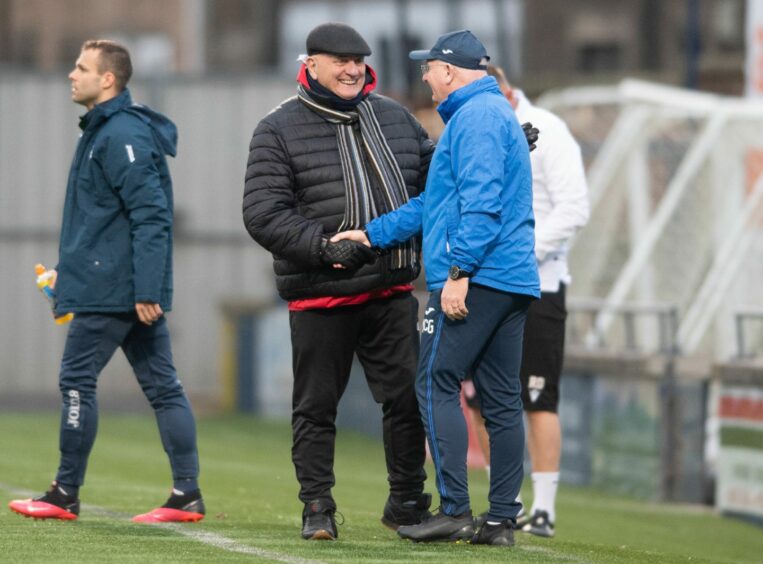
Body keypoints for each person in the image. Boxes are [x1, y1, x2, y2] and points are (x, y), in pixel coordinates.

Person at [333, 30, 539, 547]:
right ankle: (499, 521)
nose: (424, 75)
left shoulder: (476, 119)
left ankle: (453, 510)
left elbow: (481, 205)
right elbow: (436, 205)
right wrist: (371, 234)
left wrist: (458, 273)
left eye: (429, 67)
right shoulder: (486, 115)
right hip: (510, 277)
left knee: (433, 382)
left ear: (449, 71)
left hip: (480, 276)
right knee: (500, 399)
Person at [243, 22, 435, 541]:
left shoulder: (394, 116)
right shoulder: (277, 128)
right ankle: (318, 508)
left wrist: (495, 150)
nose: (353, 70)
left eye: (359, 61)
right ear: (311, 65)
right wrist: (325, 250)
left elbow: (437, 178)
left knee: (406, 400)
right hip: (320, 293)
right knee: (315, 408)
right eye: (339, 61)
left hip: (391, 288)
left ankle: (407, 502)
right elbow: (262, 213)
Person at [8, 40, 204, 524]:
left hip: (118, 290)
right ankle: (186, 495)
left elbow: (152, 215)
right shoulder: (102, 131)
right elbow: (104, 224)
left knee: (76, 380)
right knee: (164, 387)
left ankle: (63, 494)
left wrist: (148, 290)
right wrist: (70, 271)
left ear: (108, 79)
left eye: (81, 68)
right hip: (112, 282)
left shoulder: (120, 135)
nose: (71, 75)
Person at [464, 64, 590, 538]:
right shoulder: (476, 130)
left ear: (506, 91)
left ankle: (545, 508)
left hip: (538, 283)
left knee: (537, 397)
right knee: (482, 400)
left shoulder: (549, 132)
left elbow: (574, 208)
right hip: (485, 283)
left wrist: (520, 252)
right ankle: (506, 502)